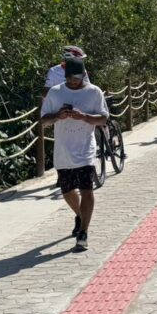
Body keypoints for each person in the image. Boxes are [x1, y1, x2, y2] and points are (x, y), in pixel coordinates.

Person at [39, 58, 108, 252]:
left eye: (76, 78)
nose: (73, 81)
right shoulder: (55, 92)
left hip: (85, 150)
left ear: (84, 75)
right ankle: (80, 215)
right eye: (69, 78)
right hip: (63, 152)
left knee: (87, 189)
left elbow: (103, 119)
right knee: (67, 191)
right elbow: (43, 121)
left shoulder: (94, 92)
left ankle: (83, 233)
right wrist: (57, 116)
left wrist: (84, 117)